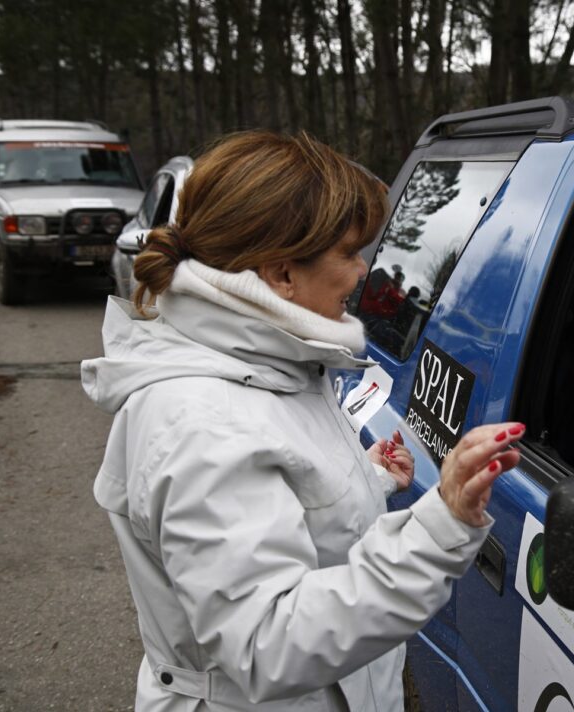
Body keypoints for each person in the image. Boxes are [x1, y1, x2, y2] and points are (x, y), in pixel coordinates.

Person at [81, 130, 525, 711]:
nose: (365, 272)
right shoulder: (200, 423)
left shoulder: (269, 362)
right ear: (281, 273)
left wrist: (360, 479)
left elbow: (276, 499)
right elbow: (266, 643)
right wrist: (438, 528)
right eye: (348, 252)